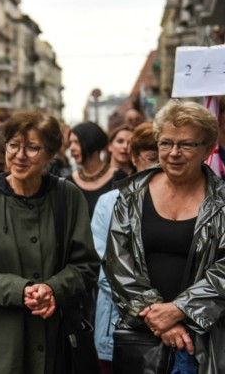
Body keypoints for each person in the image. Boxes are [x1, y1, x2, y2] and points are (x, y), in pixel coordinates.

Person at [0, 110, 100, 374]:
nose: (20, 155)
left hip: (57, 340)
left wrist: (53, 288)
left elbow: (86, 265)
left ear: (51, 153)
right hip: (2, 344)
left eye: (32, 148)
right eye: (14, 145)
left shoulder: (68, 196)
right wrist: (22, 290)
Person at [104, 99, 225, 373]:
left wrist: (180, 309)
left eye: (186, 144)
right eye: (166, 143)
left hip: (207, 340)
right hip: (144, 333)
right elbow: (117, 262)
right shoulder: (131, 195)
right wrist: (158, 315)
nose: (174, 152)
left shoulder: (222, 202)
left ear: (207, 148)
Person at [91, 122, 158, 374]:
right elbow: (104, 268)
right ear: (134, 157)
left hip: (177, 328)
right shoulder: (109, 204)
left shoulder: (195, 202)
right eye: (151, 158)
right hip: (120, 327)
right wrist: (154, 310)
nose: (159, 166)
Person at [68, 122, 127, 218]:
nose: (71, 148)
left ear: (92, 142)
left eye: (77, 142)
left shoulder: (119, 177)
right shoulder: (69, 182)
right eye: (70, 143)